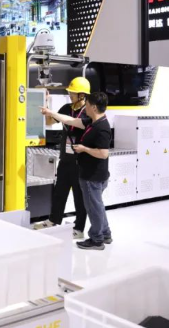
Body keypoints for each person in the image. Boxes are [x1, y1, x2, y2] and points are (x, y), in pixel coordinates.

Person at [55, 92, 112, 250]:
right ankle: (105, 234)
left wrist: (84, 149)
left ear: (94, 107)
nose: (84, 108)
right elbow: (70, 120)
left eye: (87, 105)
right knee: (97, 205)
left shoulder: (102, 128)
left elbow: (103, 153)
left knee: (93, 208)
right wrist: (51, 113)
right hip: (93, 174)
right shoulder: (92, 122)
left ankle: (96, 239)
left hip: (92, 176)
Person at [39, 77, 90, 239]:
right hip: (65, 158)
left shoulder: (88, 112)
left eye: (73, 93)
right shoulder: (66, 108)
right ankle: (54, 220)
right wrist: (46, 102)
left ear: (82, 95)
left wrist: (53, 113)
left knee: (79, 196)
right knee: (59, 191)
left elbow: (74, 122)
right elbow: (49, 121)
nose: (70, 95)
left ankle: (79, 228)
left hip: (80, 161)